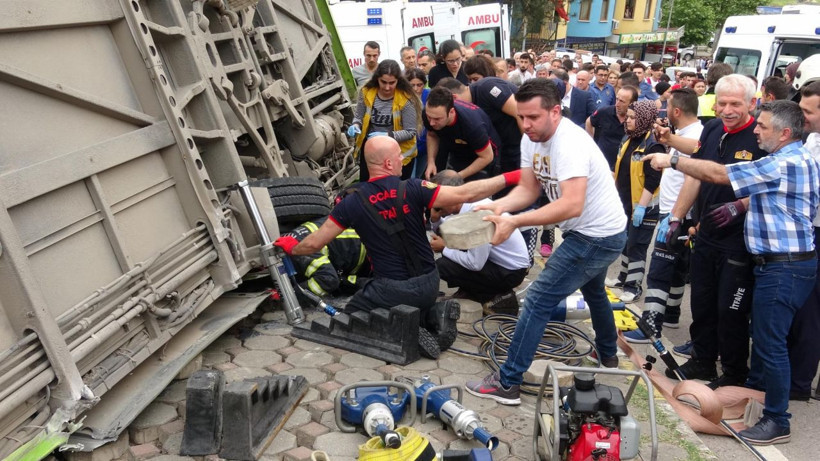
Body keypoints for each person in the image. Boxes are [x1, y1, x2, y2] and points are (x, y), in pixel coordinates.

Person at [645, 99, 819, 446]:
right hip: (785, 263)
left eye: (763, 126)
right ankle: (758, 402)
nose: (756, 130)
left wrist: (674, 159)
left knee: (771, 345)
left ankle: (777, 420)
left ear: (784, 133)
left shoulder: (784, 162)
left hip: (784, 266)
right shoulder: (793, 158)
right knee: (771, 341)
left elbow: (719, 174)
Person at [274, 136, 523, 359]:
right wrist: (513, 176)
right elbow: (467, 193)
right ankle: (431, 315)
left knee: (350, 315)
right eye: (398, 156)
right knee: (398, 298)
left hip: (392, 289)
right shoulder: (414, 188)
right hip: (430, 282)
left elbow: (315, 243)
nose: (403, 159)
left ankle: (408, 329)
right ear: (388, 163)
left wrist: (291, 247)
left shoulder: (350, 203)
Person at [464, 78, 627, 405]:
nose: (525, 125)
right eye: (521, 117)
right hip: (589, 231)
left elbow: (571, 204)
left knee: (537, 299)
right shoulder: (531, 139)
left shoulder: (569, 144)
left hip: (598, 235)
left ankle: (508, 382)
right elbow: (528, 189)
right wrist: (499, 206)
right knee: (595, 291)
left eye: (533, 118)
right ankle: (609, 359)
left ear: (555, 111)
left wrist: (514, 221)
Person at [653, 75, 766, 390]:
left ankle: (732, 373)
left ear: (752, 104)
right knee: (700, 302)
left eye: (735, 104)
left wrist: (740, 205)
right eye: (723, 103)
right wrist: (676, 216)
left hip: (739, 241)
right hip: (704, 234)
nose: (727, 110)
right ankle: (702, 360)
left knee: (730, 310)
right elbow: (695, 175)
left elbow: (767, 185)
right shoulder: (713, 129)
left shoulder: (759, 137)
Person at [624, 88, 703, 342]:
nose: (664, 111)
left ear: (676, 111)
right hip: (675, 214)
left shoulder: (696, 136)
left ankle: (650, 326)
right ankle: (670, 313)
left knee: (659, 269)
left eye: (667, 107)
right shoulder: (683, 134)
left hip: (677, 215)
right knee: (678, 268)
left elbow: (693, 172)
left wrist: (675, 216)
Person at [430, 170, 530, 308]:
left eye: (440, 199)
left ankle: (492, 295)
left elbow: (475, 263)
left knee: (443, 265)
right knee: (450, 242)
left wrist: (444, 248)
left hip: (510, 272)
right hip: (497, 263)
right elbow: (446, 231)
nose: (436, 203)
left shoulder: (477, 213)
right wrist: (435, 219)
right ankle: (472, 290)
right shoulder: (464, 206)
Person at [605, 100, 664, 303]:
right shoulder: (629, 138)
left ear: (644, 119)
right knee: (625, 243)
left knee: (637, 246)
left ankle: (634, 286)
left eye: (632, 117)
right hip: (625, 203)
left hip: (643, 206)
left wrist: (641, 206)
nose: (628, 120)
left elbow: (653, 179)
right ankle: (623, 278)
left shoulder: (653, 144)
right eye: (628, 116)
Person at [790, 74, 820, 402]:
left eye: (809, 111)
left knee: (810, 311)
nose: (802, 117)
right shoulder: (810, 140)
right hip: (807, 229)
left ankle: (799, 384)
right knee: (799, 307)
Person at [348, 60, 421, 181]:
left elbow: (410, 132)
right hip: (373, 153)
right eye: (383, 82)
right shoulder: (366, 92)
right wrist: (356, 124)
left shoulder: (406, 99)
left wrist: (388, 135)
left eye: (392, 83)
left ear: (398, 80)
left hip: (399, 156)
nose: (387, 87)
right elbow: (359, 116)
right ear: (377, 79)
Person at [437, 76, 521, 175]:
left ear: (454, 98)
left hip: (518, 148)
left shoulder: (487, 88)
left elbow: (520, 113)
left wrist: (529, 147)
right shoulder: (467, 111)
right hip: (501, 149)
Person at [423, 86, 500, 181]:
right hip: (457, 149)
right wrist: (431, 162)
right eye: (429, 117)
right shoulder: (430, 113)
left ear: (451, 112)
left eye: (437, 119)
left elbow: (487, 157)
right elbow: (432, 135)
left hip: (483, 155)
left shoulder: (471, 125)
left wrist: (458, 177)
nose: (431, 123)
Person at [283, 217, 371, 297]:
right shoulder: (287, 245)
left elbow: (328, 280)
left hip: (369, 251)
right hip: (360, 242)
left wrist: (289, 296)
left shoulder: (299, 253)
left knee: (379, 287)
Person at [587, 86, 638, 170]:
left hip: (624, 167)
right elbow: (589, 122)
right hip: (602, 164)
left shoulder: (637, 119)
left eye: (622, 101)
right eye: (617, 99)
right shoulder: (604, 112)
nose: (617, 104)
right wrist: (592, 143)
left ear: (632, 103)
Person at [406, 68, 430, 178]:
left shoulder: (429, 95)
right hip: (409, 144)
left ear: (424, 84)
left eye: (419, 85)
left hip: (425, 144)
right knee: (411, 177)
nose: (415, 89)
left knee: (419, 175)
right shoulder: (404, 98)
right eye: (412, 85)